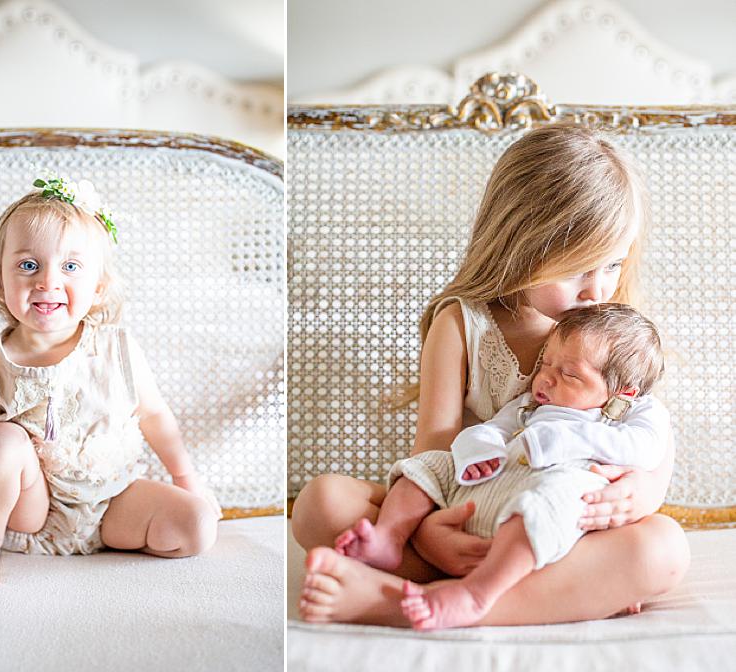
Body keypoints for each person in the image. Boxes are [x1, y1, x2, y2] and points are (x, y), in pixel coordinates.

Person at [293, 125, 690, 627]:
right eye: (578, 268)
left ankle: (400, 602)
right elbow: (432, 452)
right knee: (321, 504)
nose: (598, 289)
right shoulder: (462, 325)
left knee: (663, 549)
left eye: (611, 264)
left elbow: (651, 433)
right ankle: (553, 593)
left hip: (558, 519)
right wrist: (427, 532)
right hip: (472, 509)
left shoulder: (610, 330)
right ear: (520, 243)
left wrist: (644, 493)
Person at [0, 173, 221, 585]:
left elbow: (155, 416)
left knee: (198, 524)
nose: (47, 281)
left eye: (70, 266)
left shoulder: (117, 349)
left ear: (98, 287)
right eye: (28, 265)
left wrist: (187, 480)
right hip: (30, 513)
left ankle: (116, 542)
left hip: (110, 505)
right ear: (1, 280)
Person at [335, 304, 667, 629]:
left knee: (552, 508)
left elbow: (648, 448)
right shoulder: (528, 405)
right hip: (490, 489)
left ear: (623, 393)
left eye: (568, 374)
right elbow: (493, 429)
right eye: (545, 364)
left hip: (554, 492)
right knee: (426, 466)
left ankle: (476, 594)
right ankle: (389, 538)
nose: (546, 379)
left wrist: (562, 439)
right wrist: (481, 450)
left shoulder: (632, 414)